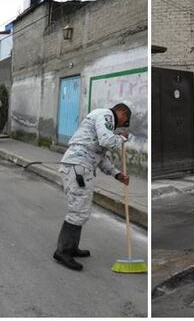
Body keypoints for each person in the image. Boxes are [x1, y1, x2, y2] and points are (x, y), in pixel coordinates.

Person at [53, 103, 131, 271]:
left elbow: (100, 156)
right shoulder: (106, 115)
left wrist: (117, 174)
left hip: (79, 166)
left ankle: (71, 247)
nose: (121, 126)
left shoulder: (101, 120)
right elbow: (106, 140)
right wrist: (122, 138)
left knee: (81, 210)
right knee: (78, 211)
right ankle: (63, 251)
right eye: (124, 121)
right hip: (78, 167)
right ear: (122, 113)